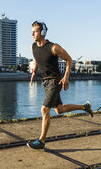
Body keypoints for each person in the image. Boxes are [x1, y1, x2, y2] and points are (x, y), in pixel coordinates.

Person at [27, 21, 93, 150]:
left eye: (35, 31)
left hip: (55, 81)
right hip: (45, 82)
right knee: (59, 110)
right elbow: (36, 58)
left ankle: (41, 141)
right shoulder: (33, 46)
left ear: (43, 32)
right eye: (32, 31)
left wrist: (66, 77)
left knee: (45, 109)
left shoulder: (54, 47)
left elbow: (69, 60)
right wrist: (34, 71)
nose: (32, 34)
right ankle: (85, 107)